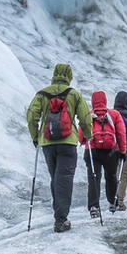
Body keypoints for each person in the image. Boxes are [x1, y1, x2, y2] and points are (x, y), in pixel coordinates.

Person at [24, 64, 91, 232]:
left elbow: (32, 116)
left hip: (48, 142)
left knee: (55, 177)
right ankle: (61, 219)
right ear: (69, 76)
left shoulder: (41, 94)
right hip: (68, 142)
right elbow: (85, 117)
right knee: (64, 178)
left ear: (54, 74)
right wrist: (87, 135)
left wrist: (35, 137)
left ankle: (58, 214)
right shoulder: (74, 94)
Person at [86, 91, 127, 213]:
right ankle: (112, 203)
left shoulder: (89, 115)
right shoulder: (114, 114)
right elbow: (121, 133)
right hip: (111, 151)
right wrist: (123, 151)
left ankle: (94, 205)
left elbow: (81, 135)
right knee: (111, 177)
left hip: (92, 150)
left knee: (94, 177)